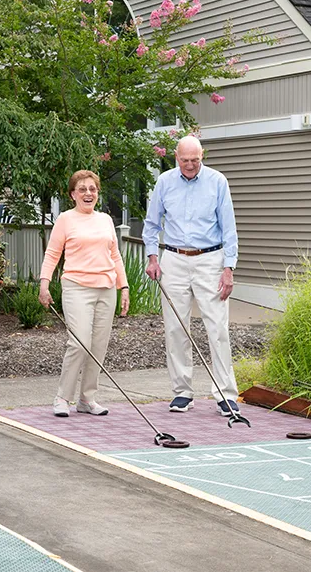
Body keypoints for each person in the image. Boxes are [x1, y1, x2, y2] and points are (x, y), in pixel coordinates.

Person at [142, 135, 240, 415]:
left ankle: (225, 394)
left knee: (217, 328)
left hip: (210, 258)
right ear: (175, 156)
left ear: (202, 156)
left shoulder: (218, 182)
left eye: (195, 160)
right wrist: (152, 257)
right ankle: (182, 392)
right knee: (175, 327)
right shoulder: (164, 182)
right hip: (173, 258)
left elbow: (229, 229)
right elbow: (151, 225)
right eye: (184, 160)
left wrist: (228, 268)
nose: (190, 165)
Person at [39, 170, 129, 417]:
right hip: (77, 287)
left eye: (92, 189)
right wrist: (44, 283)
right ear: (73, 195)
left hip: (106, 288)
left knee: (98, 346)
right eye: (82, 189)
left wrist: (124, 287)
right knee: (79, 343)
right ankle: (62, 398)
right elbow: (52, 254)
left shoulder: (105, 220)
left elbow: (115, 255)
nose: (88, 193)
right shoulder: (66, 220)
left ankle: (87, 399)